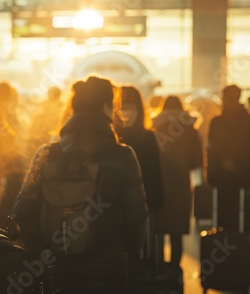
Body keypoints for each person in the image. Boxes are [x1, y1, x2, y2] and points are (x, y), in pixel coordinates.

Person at [12, 76, 149, 293]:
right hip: (108, 268)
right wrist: (129, 251)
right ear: (106, 107)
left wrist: (45, 250)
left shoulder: (46, 154)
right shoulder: (122, 155)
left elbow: (22, 211)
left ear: (73, 109)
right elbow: (136, 217)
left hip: (58, 269)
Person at [115, 85, 164, 276]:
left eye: (131, 107)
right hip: (117, 209)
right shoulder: (112, 137)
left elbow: (154, 173)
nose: (126, 113)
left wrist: (155, 202)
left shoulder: (147, 137)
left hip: (142, 206)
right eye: (122, 107)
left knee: (140, 255)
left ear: (139, 109)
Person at [151, 96, 203, 267]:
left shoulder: (154, 128)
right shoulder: (190, 130)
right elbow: (196, 162)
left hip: (158, 183)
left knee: (157, 230)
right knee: (177, 232)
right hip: (180, 185)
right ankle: (174, 271)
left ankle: (158, 268)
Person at [207, 85, 250, 232]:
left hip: (223, 179)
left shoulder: (217, 122)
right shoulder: (249, 121)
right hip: (245, 177)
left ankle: (225, 251)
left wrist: (212, 174)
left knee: (224, 221)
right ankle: (242, 251)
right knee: (244, 220)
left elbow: (212, 150)